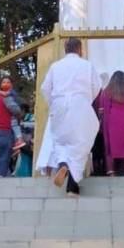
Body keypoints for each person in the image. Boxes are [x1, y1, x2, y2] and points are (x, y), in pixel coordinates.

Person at [41, 37, 102, 196]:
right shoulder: (86, 65)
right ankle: (72, 187)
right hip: (79, 104)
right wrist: (86, 100)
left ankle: (62, 163)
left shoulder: (56, 66)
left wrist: (54, 103)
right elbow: (97, 86)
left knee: (60, 141)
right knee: (80, 143)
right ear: (79, 49)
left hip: (59, 105)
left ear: (65, 49)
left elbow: (45, 88)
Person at [97, 71, 124, 176]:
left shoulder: (105, 93)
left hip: (111, 124)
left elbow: (101, 111)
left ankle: (112, 174)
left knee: (111, 148)